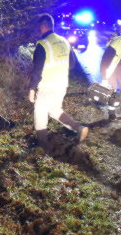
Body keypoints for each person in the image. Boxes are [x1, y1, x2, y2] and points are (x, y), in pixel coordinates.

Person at [29, 14, 89, 149]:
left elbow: (37, 69)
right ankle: (78, 128)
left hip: (47, 85)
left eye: (39, 27)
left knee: (40, 111)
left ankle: (42, 144)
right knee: (54, 110)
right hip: (62, 84)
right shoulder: (64, 41)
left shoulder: (43, 44)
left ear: (43, 26)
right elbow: (72, 63)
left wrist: (32, 89)